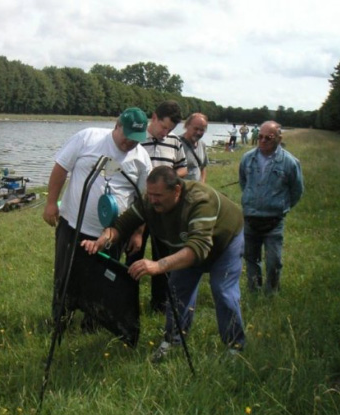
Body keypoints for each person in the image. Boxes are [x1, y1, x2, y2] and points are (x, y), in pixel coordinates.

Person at [81, 166, 246, 360]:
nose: (152, 200)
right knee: (177, 291)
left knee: (223, 292)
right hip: (188, 247)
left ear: (176, 190)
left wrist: (158, 265)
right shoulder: (149, 201)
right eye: (149, 194)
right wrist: (103, 240)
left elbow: (199, 247)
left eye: (158, 195)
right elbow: (123, 224)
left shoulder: (200, 200)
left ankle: (235, 346)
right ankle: (173, 341)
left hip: (224, 243)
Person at [43, 107, 152, 330]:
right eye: (127, 137)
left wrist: (138, 233)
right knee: (66, 275)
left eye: (136, 140)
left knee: (102, 281)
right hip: (73, 225)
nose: (130, 144)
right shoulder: (88, 137)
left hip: (113, 234)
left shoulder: (141, 158)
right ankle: (60, 320)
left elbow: (143, 200)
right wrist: (51, 203)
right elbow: (61, 168)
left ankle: (92, 324)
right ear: (117, 126)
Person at [127, 99, 188, 313]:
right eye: (163, 127)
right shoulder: (135, 138)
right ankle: (128, 301)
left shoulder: (174, 141)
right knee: (133, 254)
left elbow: (183, 169)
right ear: (154, 117)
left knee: (163, 257)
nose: (165, 133)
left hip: (164, 209)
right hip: (138, 208)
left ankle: (159, 304)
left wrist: (167, 177)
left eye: (170, 129)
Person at [239, 121, 304, 293]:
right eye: (260, 136)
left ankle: (271, 294)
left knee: (274, 261)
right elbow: (243, 183)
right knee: (251, 259)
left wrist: (282, 206)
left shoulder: (290, 162)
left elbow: (296, 190)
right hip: (250, 218)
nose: (263, 140)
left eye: (268, 137)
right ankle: (254, 291)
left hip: (274, 221)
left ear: (279, 138)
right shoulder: (247, 158)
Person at [179, 112, 209, 182]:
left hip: (196, 190)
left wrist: (202, 184)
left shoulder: (202, 145)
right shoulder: (176, 143)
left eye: (202, 130)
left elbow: (203, 167)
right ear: (187, 126)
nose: (198, 132)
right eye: (196, 129)